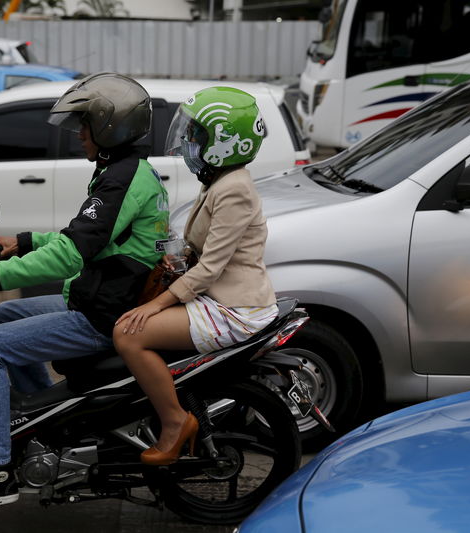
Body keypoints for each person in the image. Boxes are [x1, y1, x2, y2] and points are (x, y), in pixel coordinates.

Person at [0, 72, 170, 514]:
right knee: (3, 318)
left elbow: (70, 256)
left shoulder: (121, 181)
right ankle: (41, 423)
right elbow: (85, 239)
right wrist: (22, 241)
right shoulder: (125, 172)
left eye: (86, 124)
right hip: (98, 297)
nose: (79, 134)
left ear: (109, 127)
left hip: (101, 315)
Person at [113, 86, 278, 466]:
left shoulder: (234, 189)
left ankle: (175, 422)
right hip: (216, 299)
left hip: (235, 309)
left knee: (128, 334)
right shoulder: (219, 181)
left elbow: (212, 269)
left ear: (225, 141)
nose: (188, 141)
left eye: (197, 135)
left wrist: (155, 305)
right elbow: (204, 253)